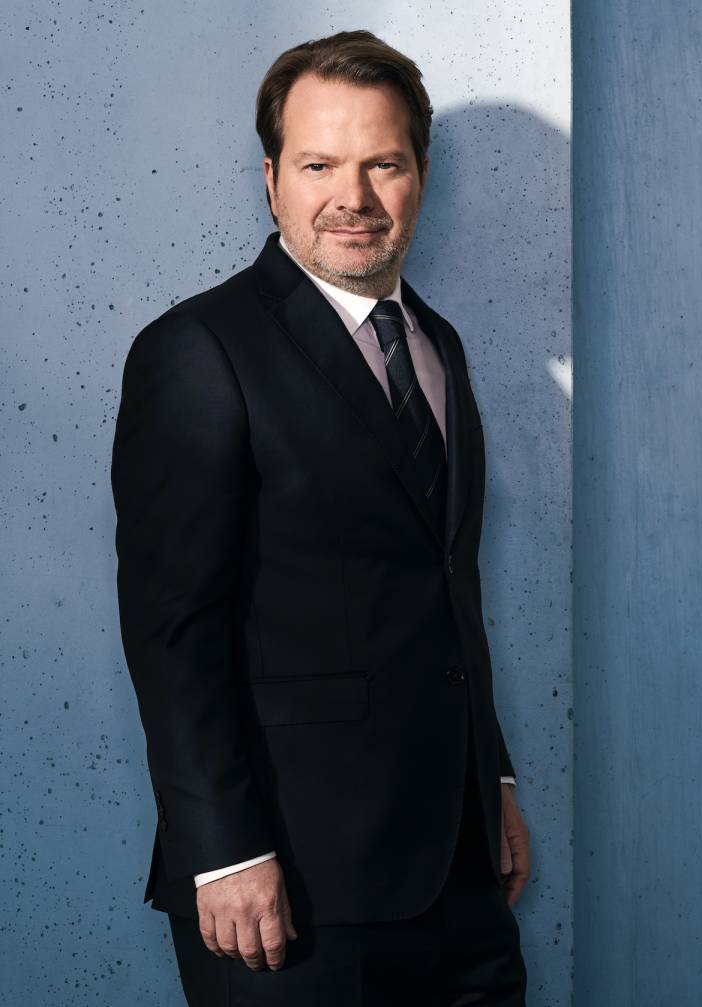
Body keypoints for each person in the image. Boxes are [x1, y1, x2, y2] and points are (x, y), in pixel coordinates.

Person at [111, 28, 530, 1006]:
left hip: (461, 872)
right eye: (318, 165)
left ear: (420, 176)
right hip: (288, 885)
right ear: (271, 181)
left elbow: (445, 586)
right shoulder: (198, 351)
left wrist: (495, 782)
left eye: (383, 163)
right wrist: (222, 851)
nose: (354, 196)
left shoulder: (438, 345)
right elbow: (172, 630)